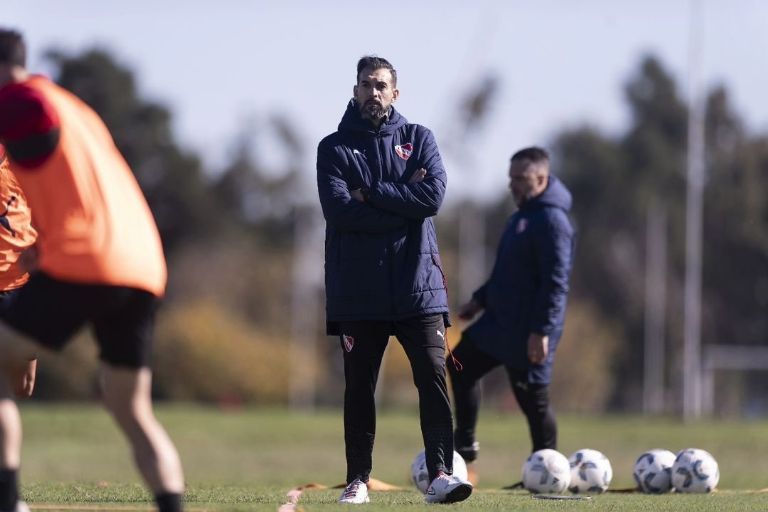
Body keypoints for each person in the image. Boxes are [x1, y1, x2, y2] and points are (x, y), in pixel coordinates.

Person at [0, 29, 184, 512]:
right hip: (142, 262)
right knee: (132, 409)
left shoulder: (18, 101)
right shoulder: (71, 106)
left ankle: (8, 501)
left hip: (87, 257)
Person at [316, 55, 472, 505]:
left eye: (381, 85)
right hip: (358, 292)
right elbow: (340, 212)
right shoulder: (333, 148)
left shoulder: (419, 138)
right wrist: (404, 205)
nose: (374, 92)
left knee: (433, 379)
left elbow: (432, 197)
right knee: (359, 389)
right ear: (355, 91)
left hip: (418, 289)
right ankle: (357, 481)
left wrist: (372, 194)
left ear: (395, 93)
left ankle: (440, 475)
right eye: (366, 84)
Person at [448, 147, 574, 471]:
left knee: (533, 401)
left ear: (541, 179)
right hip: (498, 323)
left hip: (528, 330)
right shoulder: (520, 217)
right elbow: (505, 274)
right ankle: (464, 444)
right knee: (459, 364)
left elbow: (556, 284)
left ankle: (547, 471)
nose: (512, 185)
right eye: (511, 178)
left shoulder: (553, 221)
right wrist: (479, 301)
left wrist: (541, 331)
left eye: (520, 178)